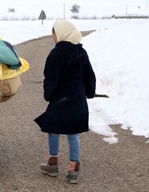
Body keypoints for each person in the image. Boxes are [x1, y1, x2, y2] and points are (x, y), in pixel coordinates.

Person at [34, 20, 96, 184]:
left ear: (61, 34)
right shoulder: (81, 52)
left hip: (60, 100)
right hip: (77, 99)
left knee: (53, 128)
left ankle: (52, 165)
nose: (53, 37)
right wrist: (90, 92)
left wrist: (48, 95)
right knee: (73, 133)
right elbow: (90, 75)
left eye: (54, 33)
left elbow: (51, 78)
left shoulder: (56, 53)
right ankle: (73, 171)